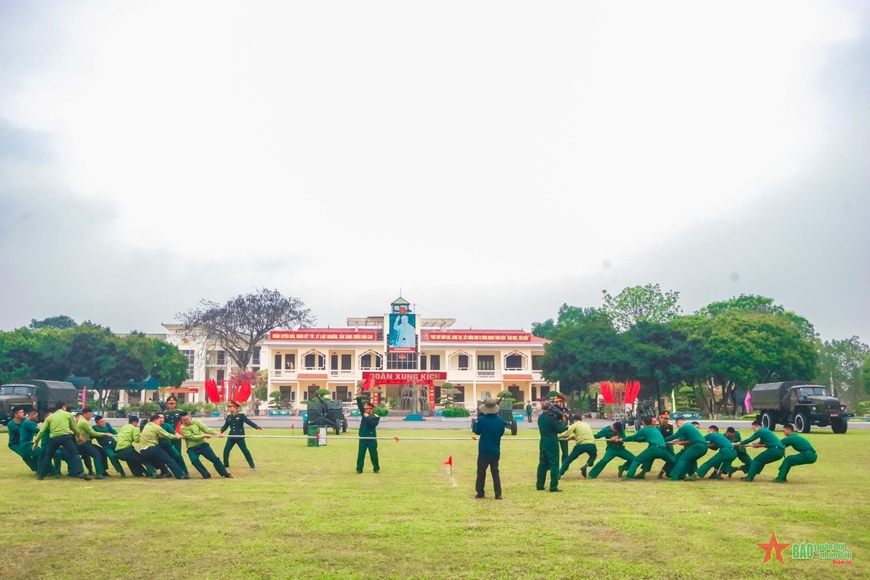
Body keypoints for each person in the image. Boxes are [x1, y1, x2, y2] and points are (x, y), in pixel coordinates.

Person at [33, 402, 88, 481]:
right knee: (75, 454)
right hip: (65, 437)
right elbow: (74, 427)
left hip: (54, 439)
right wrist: (79, 435)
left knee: (48, 457)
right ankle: (80, 473)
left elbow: (42, 431)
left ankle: (41, 475)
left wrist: (36, 441)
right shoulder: (68, 415)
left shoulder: (50, 417)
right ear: (64, 407)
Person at [619, 416, 675, 480]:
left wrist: (622, 439)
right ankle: (675, 475)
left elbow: (632, 437)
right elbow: (643, 438)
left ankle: (629, 476)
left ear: (643, 422)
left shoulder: (644, 430)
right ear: (651, 422)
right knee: (673, 461)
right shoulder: (656, 428)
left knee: (636, 460)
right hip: (663, 450)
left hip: (654, 449)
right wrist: (637, 440)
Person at [179, 412, 233, 479]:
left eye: (187, 419)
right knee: (194, 460)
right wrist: (203, 436)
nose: (186, 421)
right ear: (181, 421)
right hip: (192, 448)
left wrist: (217, 433)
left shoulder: (196, 422)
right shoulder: (182, 428)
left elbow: (206, 429)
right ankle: (206, 474)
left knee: (215, 459)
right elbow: (191, 437)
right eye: (184, 420)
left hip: (203, 445)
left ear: (189, 417)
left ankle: (225, 474)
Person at [472, 398, 505, 499]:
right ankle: (498, 494)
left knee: (481, 472)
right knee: (495, 472)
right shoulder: (500, 420)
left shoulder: (482, 420)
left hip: (484, 450)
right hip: (495, 450)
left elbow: (477, 432)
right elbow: (501, 433)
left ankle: (480, 492)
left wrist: (475, 423)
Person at [139, 413, 187, 479]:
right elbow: (167, 435)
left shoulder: (147, 426)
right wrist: (179, 437)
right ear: (155, 420)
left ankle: (166, 472)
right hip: (152, 448)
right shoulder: (156, 427)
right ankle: (180, 475)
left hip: (143, 451)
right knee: (169, 460)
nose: (160, 422)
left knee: (158, 460)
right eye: (159, 420)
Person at [221, 401, 262, 469]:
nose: (229, 409)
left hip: (240, 436)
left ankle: (252, 464)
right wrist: (220, 431)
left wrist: (256, 426)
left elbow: (248, 421)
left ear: (235, 407)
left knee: (245, 451)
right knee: (226, 450)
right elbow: (225, 426)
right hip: (231, 436)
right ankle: (226, 464)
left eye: (231, 407)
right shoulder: (229, 416)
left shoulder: (241, 415)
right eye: (229, 407)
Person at [75, 407, 113, 480]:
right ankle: (99, 474)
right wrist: (105, 434)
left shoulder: (83, 420)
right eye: (89, 414)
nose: (91, 416)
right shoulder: (84, 422)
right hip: (83, 443)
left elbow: (90, 434)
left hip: (86, 442)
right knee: (97, 455)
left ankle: (103, 471)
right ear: (85, 414)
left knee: (102, 452)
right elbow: (92, 433)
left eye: (91, 414)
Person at [536, 400, 564, 492]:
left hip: (543, 443)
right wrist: (564, 423)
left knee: (542, 465)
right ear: (550, 408)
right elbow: (559, 429)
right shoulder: (551, 418)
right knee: (554, 465)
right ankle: (553, 486)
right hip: (552, 443)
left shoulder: (540, 418)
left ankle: (540, 485)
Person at [558, 414, 597, 478]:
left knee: (568, 459)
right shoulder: (586, 424)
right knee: (593, 456)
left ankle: (559, 474)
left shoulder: (575, 425)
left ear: (574, 420)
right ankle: (585, 466)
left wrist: (557, 436)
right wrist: (574, 437)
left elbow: (566, 433)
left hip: (580, 445)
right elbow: (585, 435)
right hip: (591, 444)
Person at [356, 392, 380, 473]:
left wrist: (368, 417)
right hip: (363, 437)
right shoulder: (364, 414)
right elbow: (359, 405)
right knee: (361, 454)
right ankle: (359, 469)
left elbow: (373, 425)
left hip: (371, 438)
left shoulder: (375, 417)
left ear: (371, 409)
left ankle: (376, 468)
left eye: (367, 409)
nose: (365, 410)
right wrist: (358, 396)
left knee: (373, 454)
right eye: (365, 409)